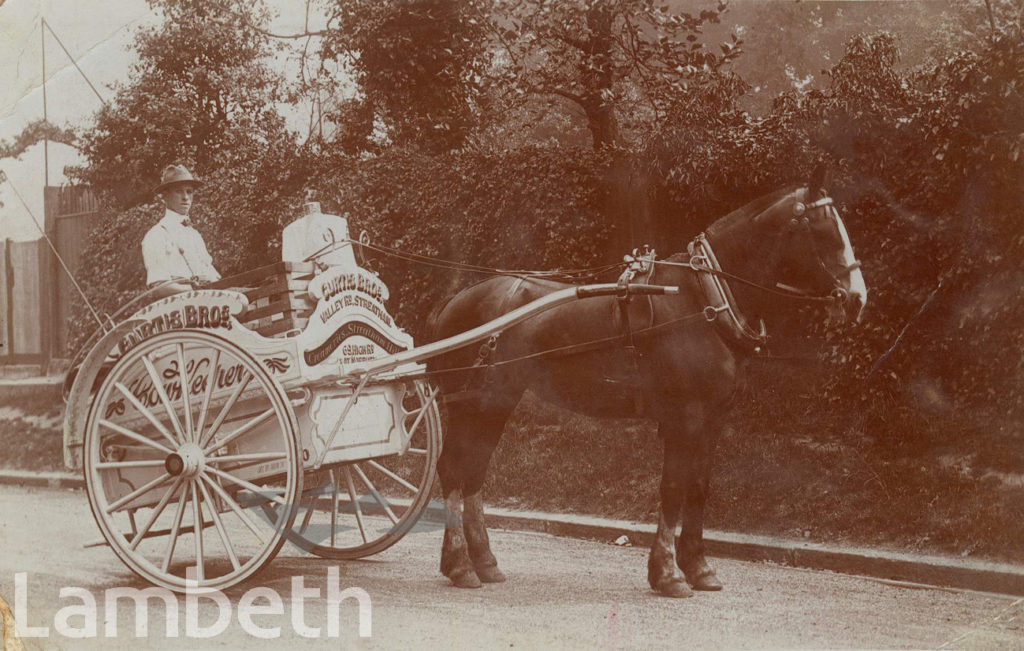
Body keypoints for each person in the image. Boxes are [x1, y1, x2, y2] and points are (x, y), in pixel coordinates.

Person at [142, 164, 220, 296]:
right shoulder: (157, 235)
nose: (185, 197)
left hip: (209, 305)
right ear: (165, 197)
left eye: (189, 191)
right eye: (179, 191)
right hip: (182, 309)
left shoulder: (194, 235)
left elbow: (214, 277)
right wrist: (195, 290)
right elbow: (158, 287)